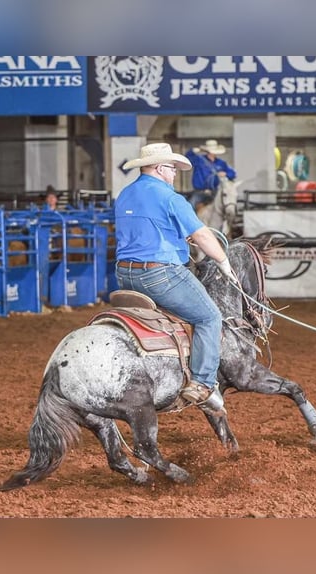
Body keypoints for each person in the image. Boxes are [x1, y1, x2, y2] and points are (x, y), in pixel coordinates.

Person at [114, 143, 237, 412]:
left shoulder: (124, 194)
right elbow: (203, 235)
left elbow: (143, 229)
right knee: (209, 317)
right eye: (171, 168)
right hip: (159, 275)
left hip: (124, 275)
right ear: (159, 168)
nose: (173, 174)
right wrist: (224, 261)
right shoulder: (171, 198)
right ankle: (203, 383)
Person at [185, 139, 237, 209]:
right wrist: (193, 150)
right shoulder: (199, 160)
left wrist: (225, 174)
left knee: (226, 205)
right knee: (191, 205)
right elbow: (187, 158)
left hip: (215, 192)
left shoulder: (221, 163)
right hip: (200, 192)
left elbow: (233, 173)